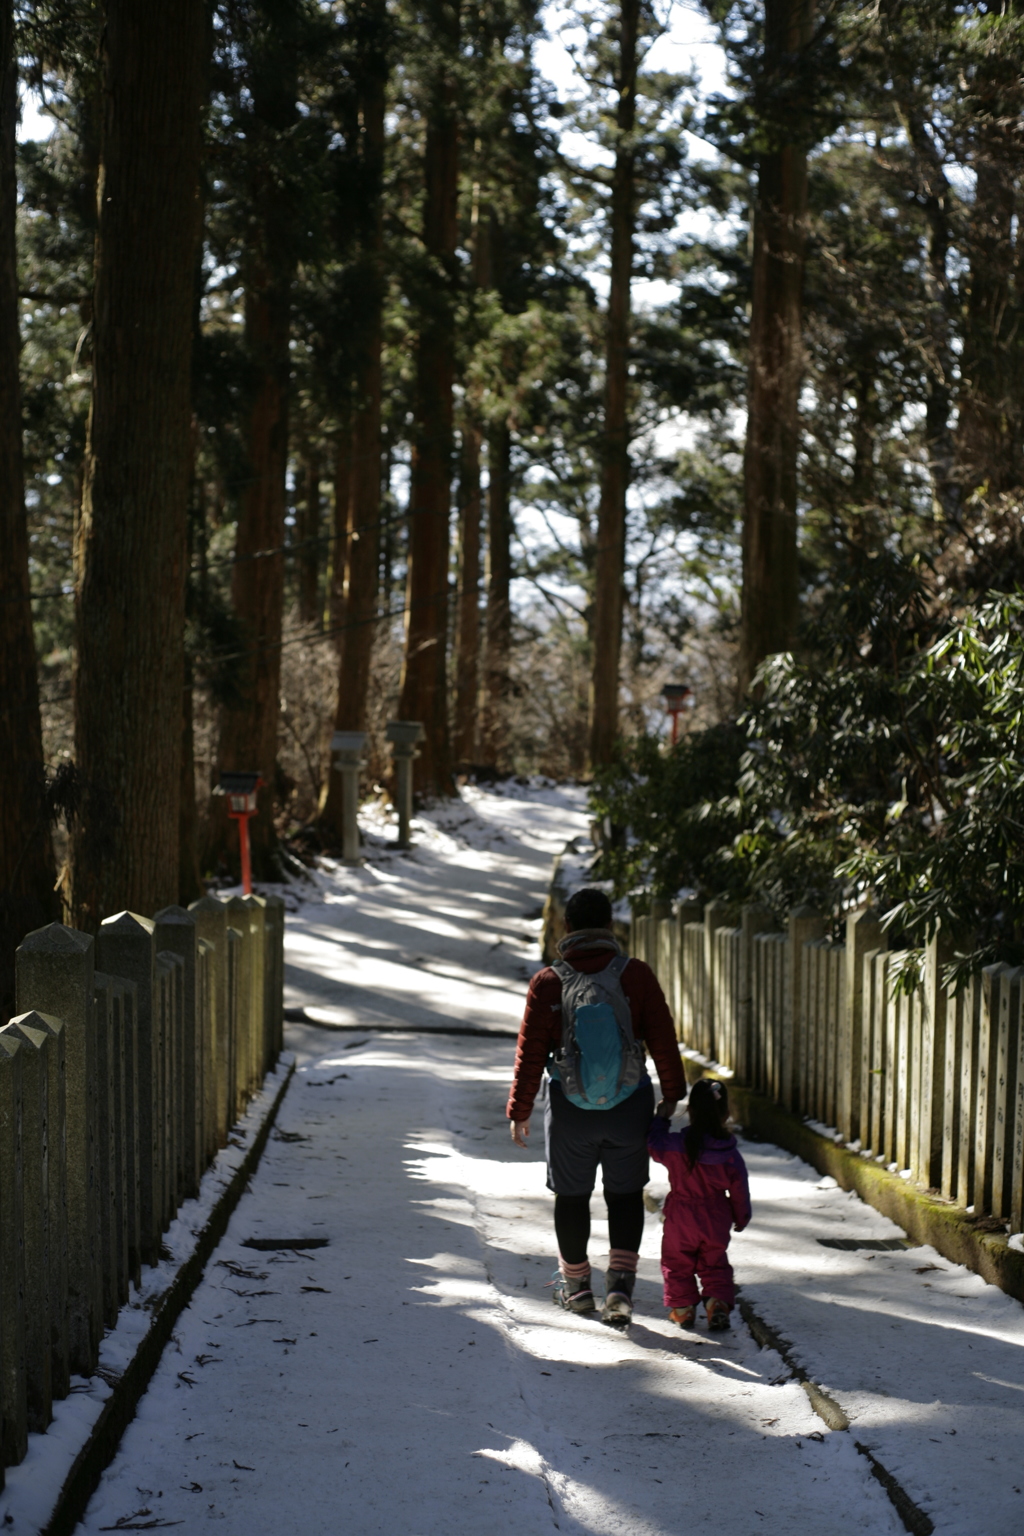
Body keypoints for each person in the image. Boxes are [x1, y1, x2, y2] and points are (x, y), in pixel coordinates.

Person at [508, 886, 685, 1327]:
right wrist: (671, 1093)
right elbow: (662, 1036)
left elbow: (530, 1053)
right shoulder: (636, 975)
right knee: (625, 1195)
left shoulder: (548, 982)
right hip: (630, 1106)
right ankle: (621, 1288)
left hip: (570, 1111)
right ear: (609, 926)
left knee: (571, 1197)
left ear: (567, 927)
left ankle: (577, 1287)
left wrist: (519, 1109)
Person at [647, 1077, 751, 1331]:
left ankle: (683, 1310)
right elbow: (739, 1188)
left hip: (681, 1215)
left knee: (676, 1262)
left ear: (689, 1111)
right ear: (726, 1114)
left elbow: (654, 1145)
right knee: (714, 1262)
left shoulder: (677, 1146)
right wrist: (741, 1216)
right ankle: (717, 1304)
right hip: (716, 1215)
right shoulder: (729, 1153)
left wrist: (661, 1118)